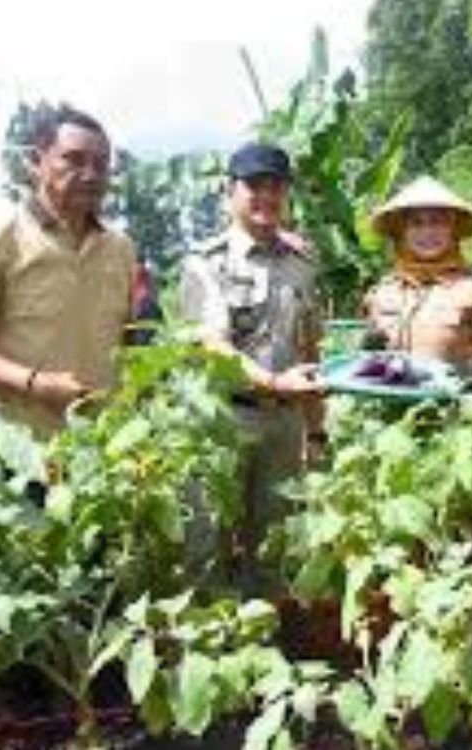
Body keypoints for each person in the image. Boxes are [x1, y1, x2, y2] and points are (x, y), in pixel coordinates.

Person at [0, 105, 138, 439]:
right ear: (36, 162)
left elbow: (130, 340)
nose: (91, 174)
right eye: (74, 159)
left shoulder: (121, 248)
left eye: (101, 164)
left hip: (102, 449)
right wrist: (35, 384)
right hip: (19, 448)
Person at [178, 142, 325, 588]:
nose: (267, 196)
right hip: (223, 420)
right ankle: (208, 649)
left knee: (275, 547)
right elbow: (213, 347)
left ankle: (268, 647)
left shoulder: (303, 263)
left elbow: (310, 348)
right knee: (207, 545)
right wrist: (275, 382)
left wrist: (316, 430)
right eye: (254, 185)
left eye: (276, 187)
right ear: (229, 191)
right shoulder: (207, 261)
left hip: (283, 424)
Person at [362, 176, 472, 387]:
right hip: (384, 410)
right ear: (402, 232)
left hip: (455, 412)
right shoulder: (383, 291)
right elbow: (369, 360)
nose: (428, 232)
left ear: (453, 230)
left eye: (438, 222)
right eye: (416, 224)